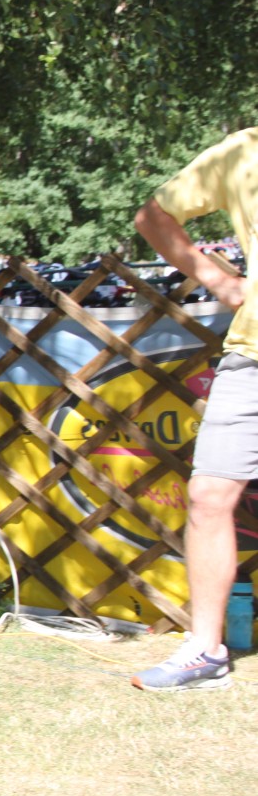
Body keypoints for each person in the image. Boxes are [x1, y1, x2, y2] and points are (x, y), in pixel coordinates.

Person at [131, 127, 258, 691]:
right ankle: (205, 652)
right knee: (208, 497)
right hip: (252, 354)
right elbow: (153, 217)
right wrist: (215, 278)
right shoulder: (244, 151)